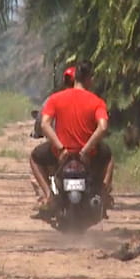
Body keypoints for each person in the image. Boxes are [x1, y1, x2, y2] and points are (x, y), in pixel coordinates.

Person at [29, 60, 114, 213]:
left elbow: (44, 124)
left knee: (34, 158)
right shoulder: (97, 102)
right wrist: (86, 150)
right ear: (89, 79)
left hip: (61, 154)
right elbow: (103, 127)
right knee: (109, 157)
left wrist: (61, 148)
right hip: (89, 155)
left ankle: (49, 197)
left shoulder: (55, 99)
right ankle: (103, 195)